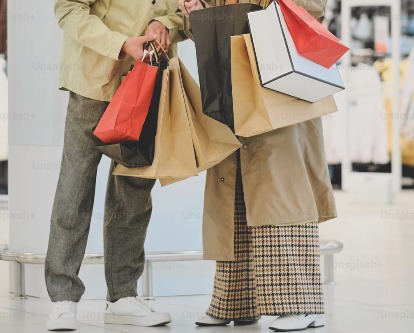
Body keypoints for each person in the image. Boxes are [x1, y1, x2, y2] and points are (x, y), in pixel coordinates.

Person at [179, 0, 336, 331]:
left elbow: (313, 7)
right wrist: (196, 14)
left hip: (278, 79)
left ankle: (301, 303)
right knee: (232, 187)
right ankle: (234, 300)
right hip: (229, 82)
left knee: (282, 189)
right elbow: (209, 31)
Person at [45, 1, 186, 331]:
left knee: (134, 191)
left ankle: (123, 296)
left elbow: (184, 10)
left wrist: (163, 23)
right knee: (74, 188)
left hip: (149, 79)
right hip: (94, 81)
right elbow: (67, 9)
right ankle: (63, 298)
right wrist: (122, 43)